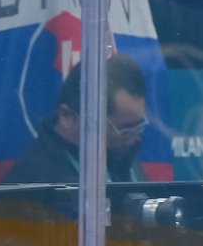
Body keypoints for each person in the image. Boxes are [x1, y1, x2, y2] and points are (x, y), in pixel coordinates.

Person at [8, 55, 151, 190]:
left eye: (138, 127)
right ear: (66, 116)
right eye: (124, 130)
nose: (133, 140)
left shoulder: (122, 157)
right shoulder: (35, 183)